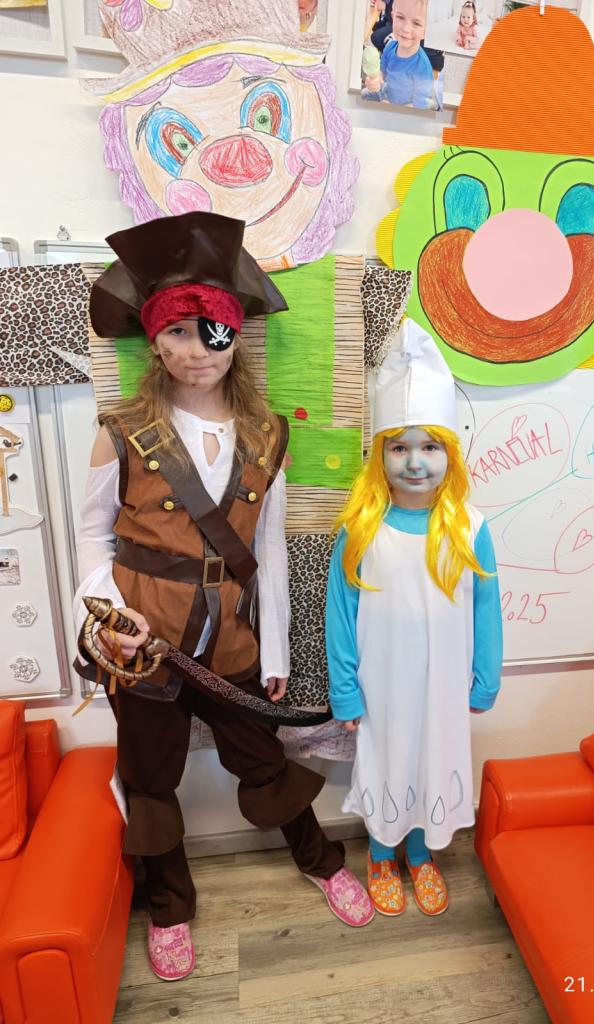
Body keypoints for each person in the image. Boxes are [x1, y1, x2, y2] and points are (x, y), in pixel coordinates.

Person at [74, 211, 373, 983]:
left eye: (210, 333)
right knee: (151, 779)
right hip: (143, 643)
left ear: (234, 336)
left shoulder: (268, 433)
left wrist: (274, 653)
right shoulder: (122, 429)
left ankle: (320, 861)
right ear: (154, 339)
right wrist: (110, 612)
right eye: (176, 333)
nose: (194, 351)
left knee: (262, 761)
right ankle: (168, 907)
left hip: (232, 638)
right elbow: (90, 538)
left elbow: (265, 549)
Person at [325, 319, 502, 917]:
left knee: (433, 759)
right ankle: (382, 853)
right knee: (388, 759)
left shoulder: (471, 528)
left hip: (446, 682)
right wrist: (345, 690)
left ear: (450, 454)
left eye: (430, 447)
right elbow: (340, 615)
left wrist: (486, 677)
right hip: (382, 684)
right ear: (380, 455)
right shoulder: (361, 529)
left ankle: (422, 853)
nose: (415, 462)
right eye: (399, 448)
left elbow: (486, 608)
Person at [367, 0, 441, 110]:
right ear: (393, 16)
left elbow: (419, 104)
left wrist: (395, 109)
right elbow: (382, 71)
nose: (406, 29)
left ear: (426, 31)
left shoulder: (423, 67)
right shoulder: (390, 47)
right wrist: (375, 79)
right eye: (400, 17)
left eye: (416, 23)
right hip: (388, 94)